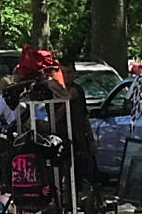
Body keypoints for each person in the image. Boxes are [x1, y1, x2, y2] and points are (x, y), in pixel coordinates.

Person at [58, 58, 97, 187]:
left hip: (79, 140)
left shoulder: (78, 90)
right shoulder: (54, 91)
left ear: (74, 73)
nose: (66, 76)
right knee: (64, 178)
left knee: (83, 176)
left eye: (69, 72)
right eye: (63, 72)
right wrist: (67, 99)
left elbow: (84, 116)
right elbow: (55, 117)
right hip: (62, 139)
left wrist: (91, 139)